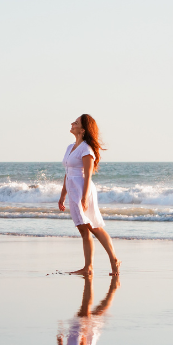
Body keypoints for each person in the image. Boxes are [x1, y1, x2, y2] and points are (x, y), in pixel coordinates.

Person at [58, 114, 121, 276]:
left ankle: (113, 260)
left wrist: (84, 197)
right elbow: (67, 172)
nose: (72, 123)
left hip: (83, 190)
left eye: (76, 122)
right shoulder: (70, 147)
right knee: (83, 229)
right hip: (73, 190)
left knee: (93, 227)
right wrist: (62, 195)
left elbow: (88, 174)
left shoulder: (86, 149)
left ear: (83, 130)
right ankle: (88, 267)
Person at [57, 274, 120, 345]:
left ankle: (111, 288)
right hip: (82, 341)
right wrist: (84, 333)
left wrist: (60, 343)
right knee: (92, 311)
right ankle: (109, 288)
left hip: (79, 340)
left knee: (93, 311)